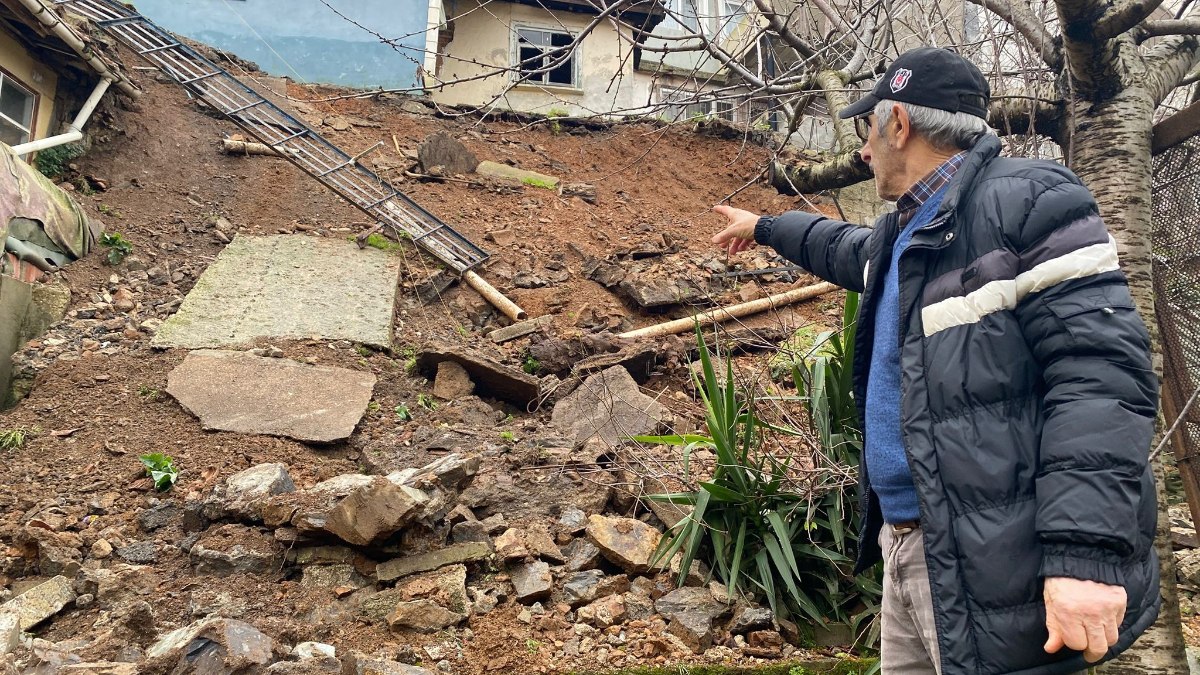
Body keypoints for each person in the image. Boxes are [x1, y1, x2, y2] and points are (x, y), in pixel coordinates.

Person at [712, 47, 1159, 674]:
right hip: (911, 545)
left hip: (996, 556)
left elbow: (1102, 381)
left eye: (868, 130)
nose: (864, 152)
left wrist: (1084, 558)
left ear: (898, 123)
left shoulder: (1029, 202)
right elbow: (844, 249)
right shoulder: (910, 231)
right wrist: (763, 226)